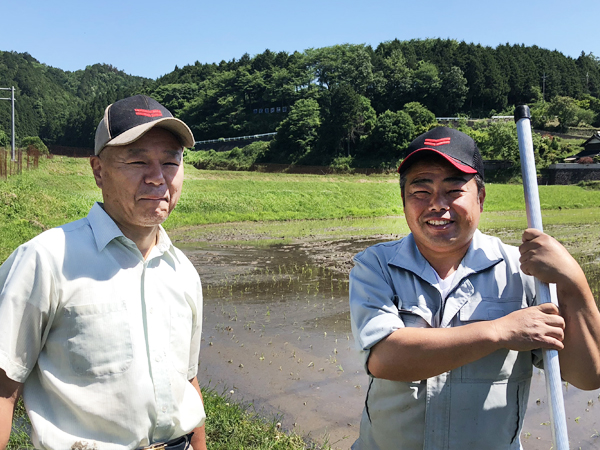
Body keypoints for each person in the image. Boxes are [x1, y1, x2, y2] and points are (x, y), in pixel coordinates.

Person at [349, 126, 600, 450]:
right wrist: (500, 331)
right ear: (404, 199)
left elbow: (587, 376)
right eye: (421, 191)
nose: (437, 205)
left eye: (454, 190)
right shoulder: (377, 266)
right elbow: (386, 358)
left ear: (480, 198)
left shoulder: (521, 272)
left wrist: (573, 282)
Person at [0, 95, 207, 450]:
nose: (157, 178)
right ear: (98, 170)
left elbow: (188, 382)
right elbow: (3, 390)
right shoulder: (45, 260)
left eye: (170, 162)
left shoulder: (183, 271)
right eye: (138, 160)